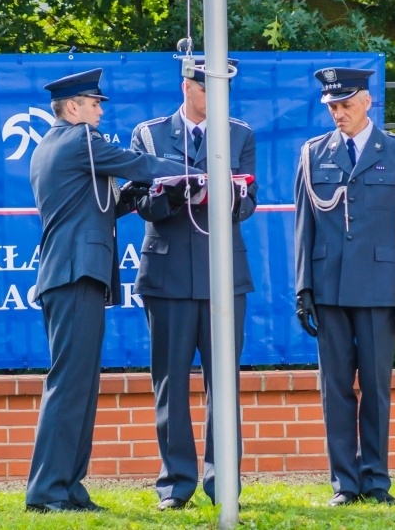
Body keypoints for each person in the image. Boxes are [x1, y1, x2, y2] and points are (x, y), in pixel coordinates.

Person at [25, 68, 203, 514]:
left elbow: (105, 205)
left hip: (71, 273)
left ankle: (67, 486)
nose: (101, 110)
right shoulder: (80, 141)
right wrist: (197, 171)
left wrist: (145, 190)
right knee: (69, 385)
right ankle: (47, 491)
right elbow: (139, 163)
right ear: (72, 108)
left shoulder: (57, 146)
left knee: (80, 385)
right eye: (94, 103)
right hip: (73, 273)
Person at [294, 67, 395, 507]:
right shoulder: (313, 153)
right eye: (332, 107)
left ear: (367, 102)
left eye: (345, 105)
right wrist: (303, 289)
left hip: (378, 287)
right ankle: (344, 484)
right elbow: (304, 227)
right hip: (329, 286)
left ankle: (375, 480)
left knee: (375, 386)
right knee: (334, 388)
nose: (338, 113)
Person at [129, 57, 257, 510]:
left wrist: (231, 195)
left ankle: (224, 483)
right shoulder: (150, 133)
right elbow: (140, 201)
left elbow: (249, 204)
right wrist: (171, 195)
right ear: (187, 86)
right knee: (170, 382)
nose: (217, 100)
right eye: (208, 90)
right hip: (167, 274)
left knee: (225, 383)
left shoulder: (238, 132)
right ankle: (175, 484)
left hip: (224, 274)